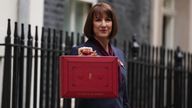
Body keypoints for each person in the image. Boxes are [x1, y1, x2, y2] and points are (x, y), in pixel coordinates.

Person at [70, 2, 129, 108]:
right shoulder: (80, 51)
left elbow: (124, 96)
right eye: (98, 20)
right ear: (91, 25)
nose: (103, 24)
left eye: (108, 20)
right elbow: (77, 89)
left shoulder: (119, 54)